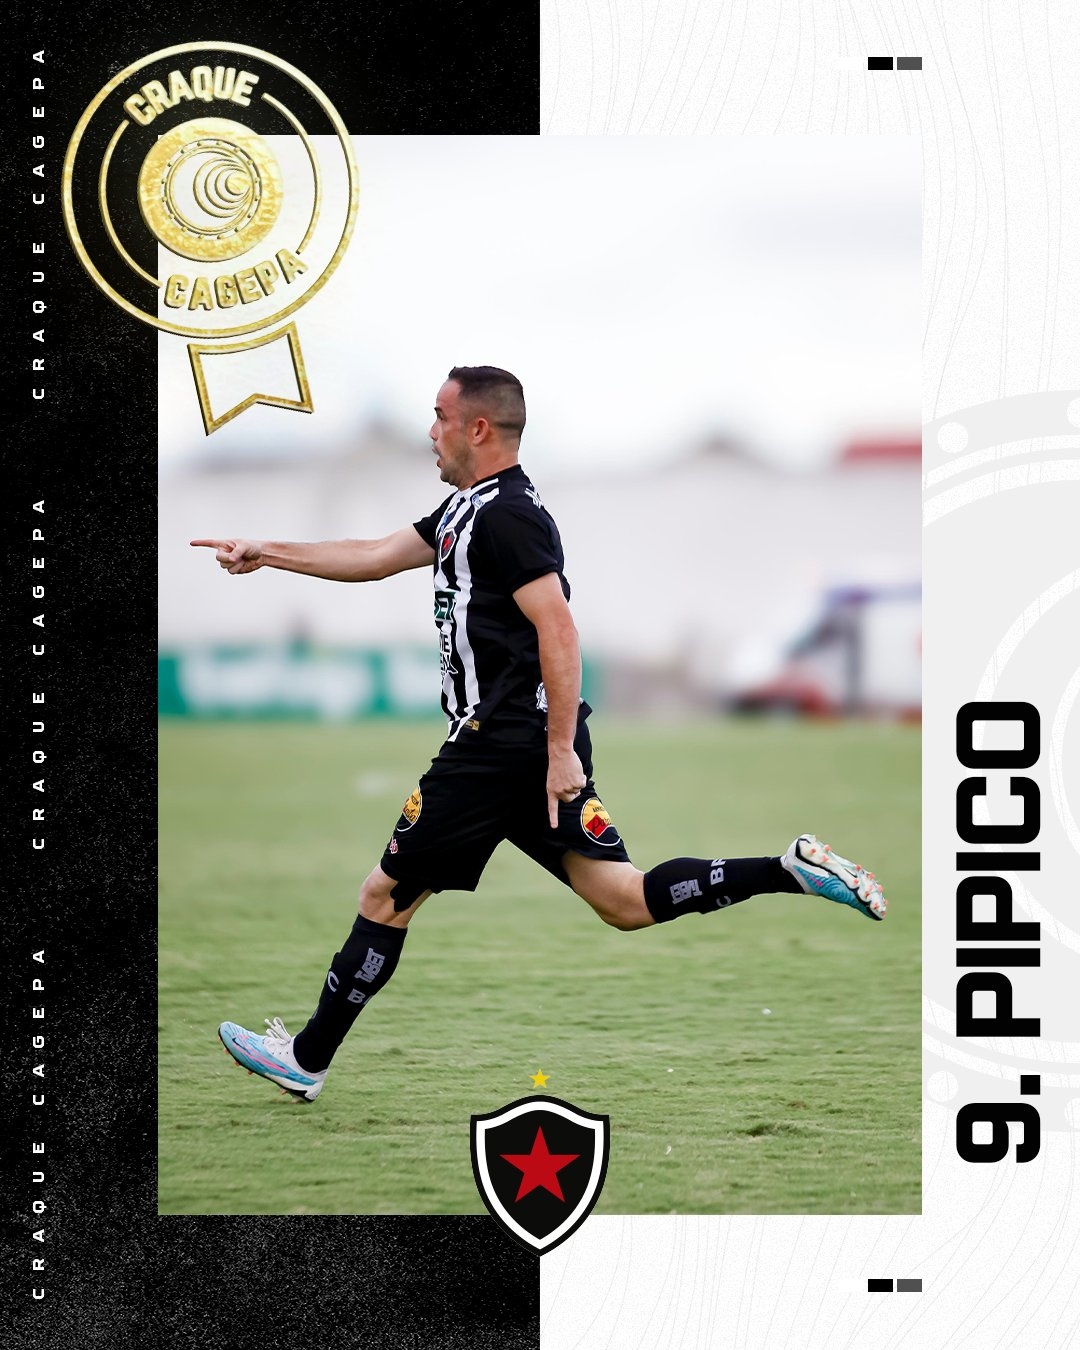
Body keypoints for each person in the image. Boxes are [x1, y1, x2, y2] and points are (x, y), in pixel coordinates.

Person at [193, 365, 887, 1103]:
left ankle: (305, 1059)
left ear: (477, 428)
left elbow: (559, 629)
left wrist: (557, 752)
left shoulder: (509, 517)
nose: (431, 431)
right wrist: (267, 551)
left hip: (499, 746)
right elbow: (372, 555)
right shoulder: (466, 511)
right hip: (526, 747)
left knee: (384, 895)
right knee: (624, 901)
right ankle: (787, 869)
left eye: (440, 416)